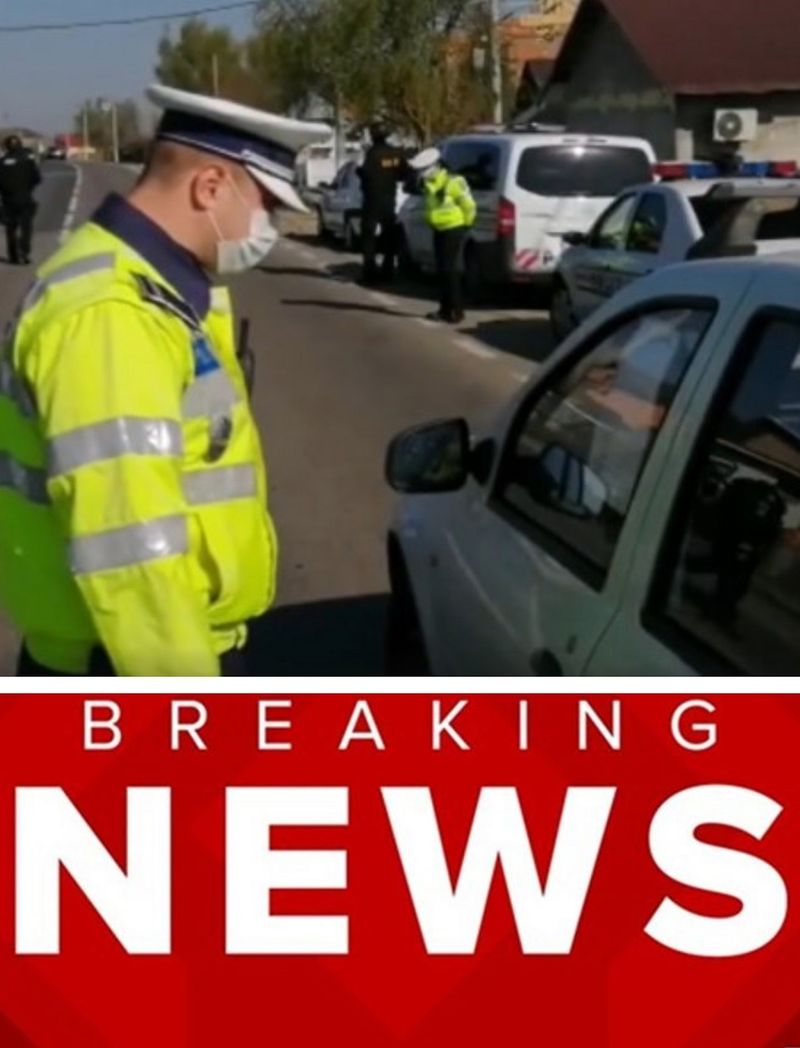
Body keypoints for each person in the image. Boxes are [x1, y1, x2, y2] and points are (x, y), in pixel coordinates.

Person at [0, 85, 329, 676]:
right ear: (210, 187)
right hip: (126, 664)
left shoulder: (148, 290)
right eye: (267, 206)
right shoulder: (111, 313)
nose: (270, 226)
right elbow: (129, 550)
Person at [408, 147, 476, 325]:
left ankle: (457, 311)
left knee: (450, 271)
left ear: (433, 166)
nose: (420, 173)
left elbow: (469, 206)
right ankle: (445, 310)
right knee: (442, 271)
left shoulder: (454, 182)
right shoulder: (430, 183)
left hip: (454, 228)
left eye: (422, 169)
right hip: (439, 229)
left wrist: (466, 225)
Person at [358, 122, 407, 285]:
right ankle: (388, 271)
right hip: (389, 200)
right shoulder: (396, 153)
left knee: (369, 237)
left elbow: (365, 174)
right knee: (389, 236)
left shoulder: (372, 154)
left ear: (373, 136)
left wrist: (359, 173)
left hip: (372, 201)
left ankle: (369, 273)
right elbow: (404, 174)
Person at [0, 134, 41, 265]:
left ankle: (13, 255)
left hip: (8, 201)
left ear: (6, 147)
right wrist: (27, 187)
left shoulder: (2, 162)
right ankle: (24, 251)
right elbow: (37, 179)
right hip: (25, 198)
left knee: (10, 228)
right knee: (26, 227)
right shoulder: (27, 160)